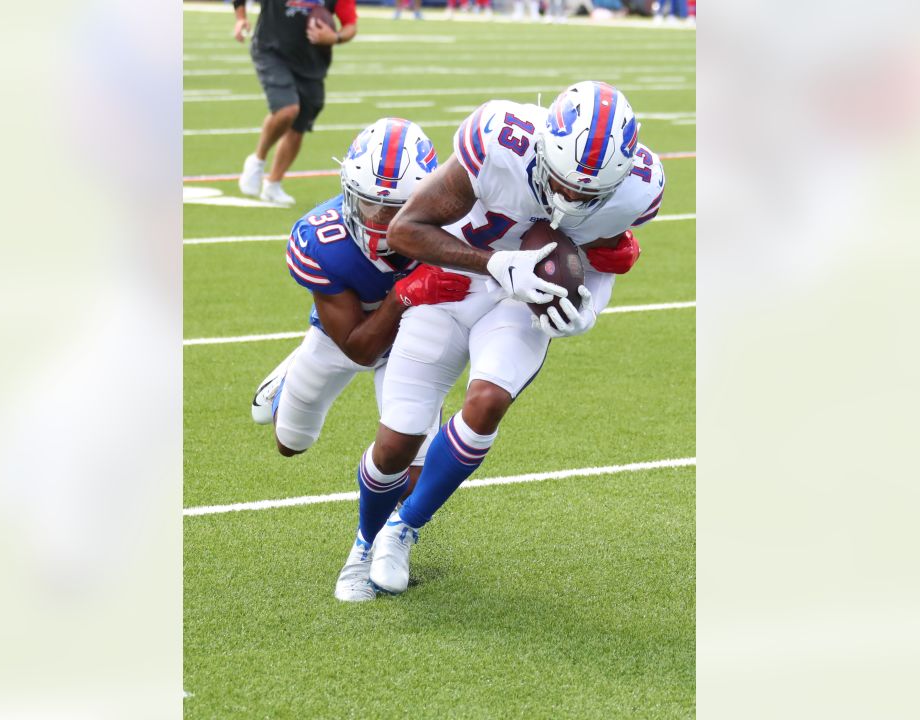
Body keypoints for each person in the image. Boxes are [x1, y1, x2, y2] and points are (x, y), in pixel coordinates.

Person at [341, 81, 665, 598]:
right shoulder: (498, 140)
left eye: (588, 194)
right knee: (398, 437)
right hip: (455, 282)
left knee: (488, 399)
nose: (570, 199)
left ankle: (402, 530)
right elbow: (406, 229)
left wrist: (588, 310)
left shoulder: (639, 188)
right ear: (542, 148)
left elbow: (606, 258)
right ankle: (363, 540)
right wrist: (493, 262)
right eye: (562, 184)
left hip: (522, 300)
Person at [247, 119, 472, 601]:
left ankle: (372, 545)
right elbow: (359, 347)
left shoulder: (453, 229)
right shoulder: (321, 238)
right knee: (290, 443)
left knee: (412, 468)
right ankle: (290, 378)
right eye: (368, 200)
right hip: (345, 336)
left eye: (394, 207)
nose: (376, 217)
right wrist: (406, 292)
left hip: (413, 341)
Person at [233, 0, 359, 206]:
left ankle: (273, 184)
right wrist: (240, 18)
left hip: (312, 60)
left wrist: (334, 37)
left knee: (299, 125)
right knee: (287, 110)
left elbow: (351, 25)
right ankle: (258, 159)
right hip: (271, 51)